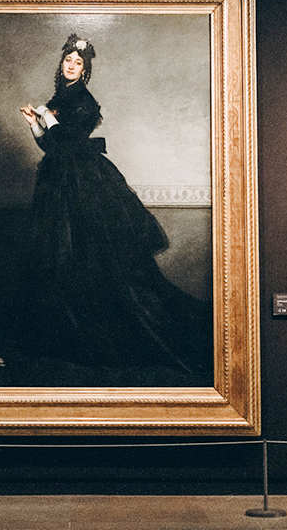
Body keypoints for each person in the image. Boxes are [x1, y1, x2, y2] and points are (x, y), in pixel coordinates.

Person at [17, 33, 212, 380]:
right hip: (59, 187)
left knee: (100, 264)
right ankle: (69, 340)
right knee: (62, 262)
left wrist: (49, 119)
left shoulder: (86, 104)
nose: (71, 66)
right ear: (61, 64)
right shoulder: (58, 98)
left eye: (78, 63)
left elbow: (70, 142)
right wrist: (36, 124)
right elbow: (52, 147)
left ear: (85, 70)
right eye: (68, 61)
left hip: (86, 189)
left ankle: (120, 341)